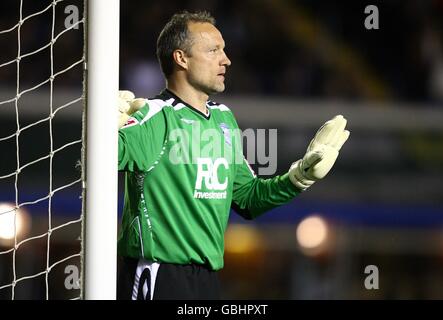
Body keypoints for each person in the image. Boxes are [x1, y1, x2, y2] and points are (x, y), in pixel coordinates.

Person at [116, 11, 349, 300]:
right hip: (160, 273)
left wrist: (299, 177)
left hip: (208, 279)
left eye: (223, 49)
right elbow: (99, 159)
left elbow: (247, 198)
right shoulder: (154, 117)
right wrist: (103, 128)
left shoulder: (224, 120)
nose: (225, 59)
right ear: (181, 58)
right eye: (213, 50)